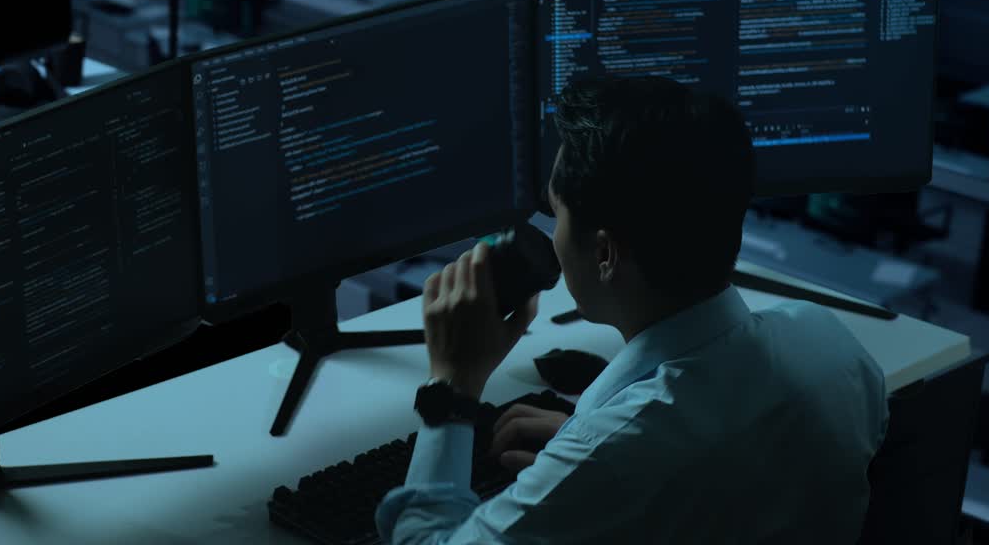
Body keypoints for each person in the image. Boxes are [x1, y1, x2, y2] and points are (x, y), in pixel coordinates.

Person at [376, 76, 889, 544]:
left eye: (556, 214)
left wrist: (453, 390)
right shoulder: (833, 347)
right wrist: (582, 447)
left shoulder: (624, 452)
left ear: (604, 254)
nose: (552, 236)